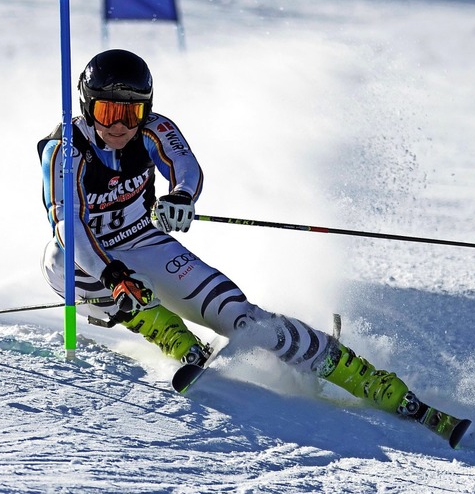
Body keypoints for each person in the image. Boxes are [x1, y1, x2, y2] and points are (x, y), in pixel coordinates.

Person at [38, 48, 419, 417]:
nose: (119, 126)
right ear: (87, 106)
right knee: (58, 257)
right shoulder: (65, 150)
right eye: (107, 112)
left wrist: (182, 196)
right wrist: (114, 275)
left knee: (240, 318)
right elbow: (68, 224)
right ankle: (172, 334)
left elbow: (186, 166)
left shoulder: (155, 129)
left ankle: (366, 378)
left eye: (131, 113)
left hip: (144, 241)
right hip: (89, 260)